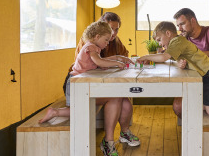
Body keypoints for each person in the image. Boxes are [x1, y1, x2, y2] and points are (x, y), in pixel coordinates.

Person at [40, 21, 140, 156]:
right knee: (82, 109)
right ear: (97, 36)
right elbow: (99, 62)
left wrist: (116, 57)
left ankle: (112, 139)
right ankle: (56, 113)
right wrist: (116, 62)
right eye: (106, 40)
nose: (107, 43)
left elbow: (98, 62)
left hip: (83, 84)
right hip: (76, 85)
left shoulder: (94, 47)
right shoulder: (91, 47)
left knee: (112, 98)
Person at [137, 21, 209, 116]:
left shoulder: (177, 41)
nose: (159, 44)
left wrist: (145, 56)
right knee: (200, 102)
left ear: (168, 33)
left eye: (159, 39)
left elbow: (164, 57)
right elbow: (165, 57)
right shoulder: (175, 44)